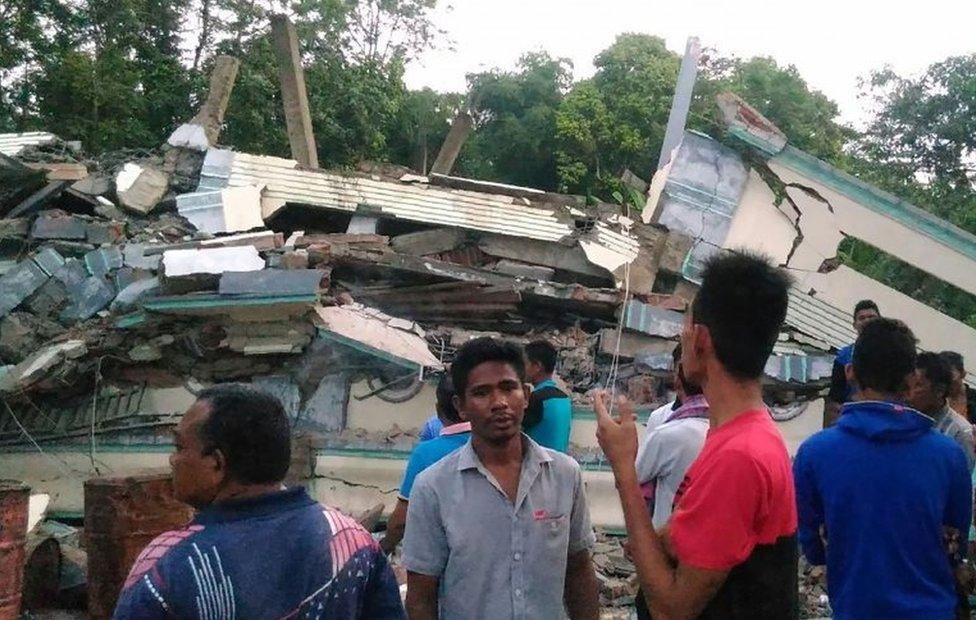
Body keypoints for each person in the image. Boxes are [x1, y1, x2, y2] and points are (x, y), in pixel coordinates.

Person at [594, 250, 798, 619]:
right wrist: (651, 544)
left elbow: (672, 609)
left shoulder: (739, 456)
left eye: (684, 328)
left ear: (700, 340)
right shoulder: (740, 435)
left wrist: (623, 467)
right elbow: (698, 531)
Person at [114, 384, 404, 619]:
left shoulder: (169, 562)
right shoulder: (354, 540)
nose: (172, 460)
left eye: (179, 447)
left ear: (216, 464)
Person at [403, 337, 599, 619]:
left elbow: (579, 570)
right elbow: (421, 597)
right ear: (461, 406)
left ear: (527, 395)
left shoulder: (565, 475)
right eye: (482, 393)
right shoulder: (433, 488)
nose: (499, 403)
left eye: (508, 388)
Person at [794, 319, 972, 619]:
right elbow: (955, 547)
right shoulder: (948, 456)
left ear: (850, 372)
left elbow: (812, 548)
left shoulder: (815, 454)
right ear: (908, 379)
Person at [380, 375, 470, 554]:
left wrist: (383, 548)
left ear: (437, 409)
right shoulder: (494, 445)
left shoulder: (425, 453)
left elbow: (401, 521)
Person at [634, 343, 709, 530]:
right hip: (666, 527)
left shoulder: (667, 434)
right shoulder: (660, 417)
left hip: (675, 533)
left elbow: (635, 476)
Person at [911, 351, 976, 472]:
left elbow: (963, 482)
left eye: (918, 385)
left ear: (939, 391)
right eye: (909, 384)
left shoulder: (960, 433)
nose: (910, 391)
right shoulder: (901, 415)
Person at [824, 299, 880, 426]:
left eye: (871, 317)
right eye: (862, 318)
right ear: (854, 324)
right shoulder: (844, 356)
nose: (867, 321)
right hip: (850, 419)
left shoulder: (893, 353)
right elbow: (835, 397)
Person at [523, 339, 573, 453]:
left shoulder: (536, 399)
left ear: (536, 366)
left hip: (540, 466)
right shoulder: (565, 398)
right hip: (561, 464)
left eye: (524, 364)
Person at [941, 351, 976, 423]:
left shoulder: (974, 398)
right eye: (942, 379)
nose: (947, 383)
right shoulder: (935, 399)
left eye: (951, 378)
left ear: (963, 374)